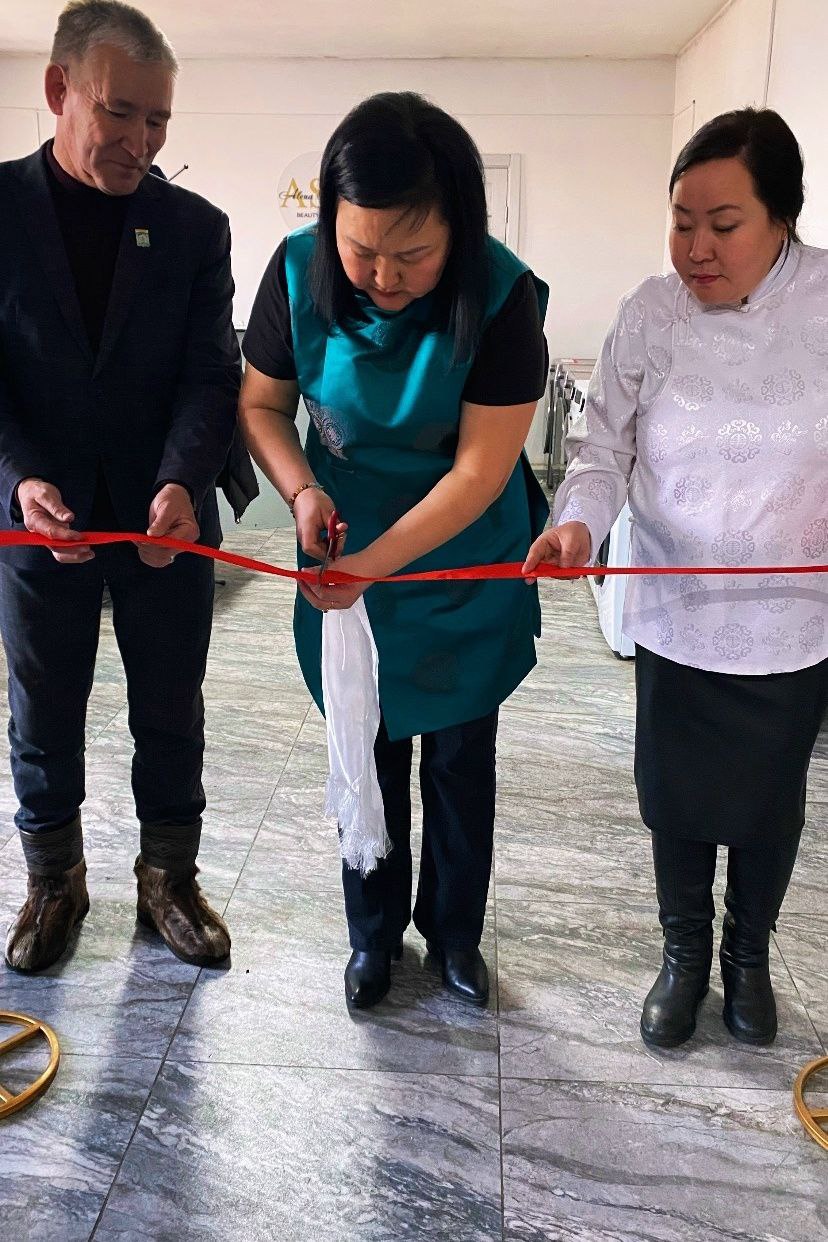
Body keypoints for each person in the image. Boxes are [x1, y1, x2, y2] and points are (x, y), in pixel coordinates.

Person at [525, 107, 828, 1048]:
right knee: (678, 797)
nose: (697, 247)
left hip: (792, 623)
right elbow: (602, 450)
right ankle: (684, 955)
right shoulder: (651, 315)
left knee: (768, 802)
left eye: (723, 224)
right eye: (682, 221)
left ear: (782, 218)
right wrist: (577, 525)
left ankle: (748, 957)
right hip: (677, 612)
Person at [240, 92, 549, 1010]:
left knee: (459, 758)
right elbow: (262, 405)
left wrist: (373, 566)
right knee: (364, 747)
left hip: (459, 562)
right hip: (342, 551)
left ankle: (454, 935)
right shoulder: (295, 273)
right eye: (361, 250)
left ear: (460, 227)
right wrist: (302, 489)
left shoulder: (501, 296)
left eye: (412, 255)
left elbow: (480, 473)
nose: (382, 276)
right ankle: (371, 937)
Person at [0, 1, 241, 972]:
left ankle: (168, 879)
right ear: (60, 90)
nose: (141, 141)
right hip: (36, 518)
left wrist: (183, 480)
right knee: (43, 707)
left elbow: (211, 375)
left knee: (171, 707)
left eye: (159, 120)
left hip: (164, 522)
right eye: (121, 113)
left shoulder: (195, 231)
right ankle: (54, 878)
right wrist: (20, 481)